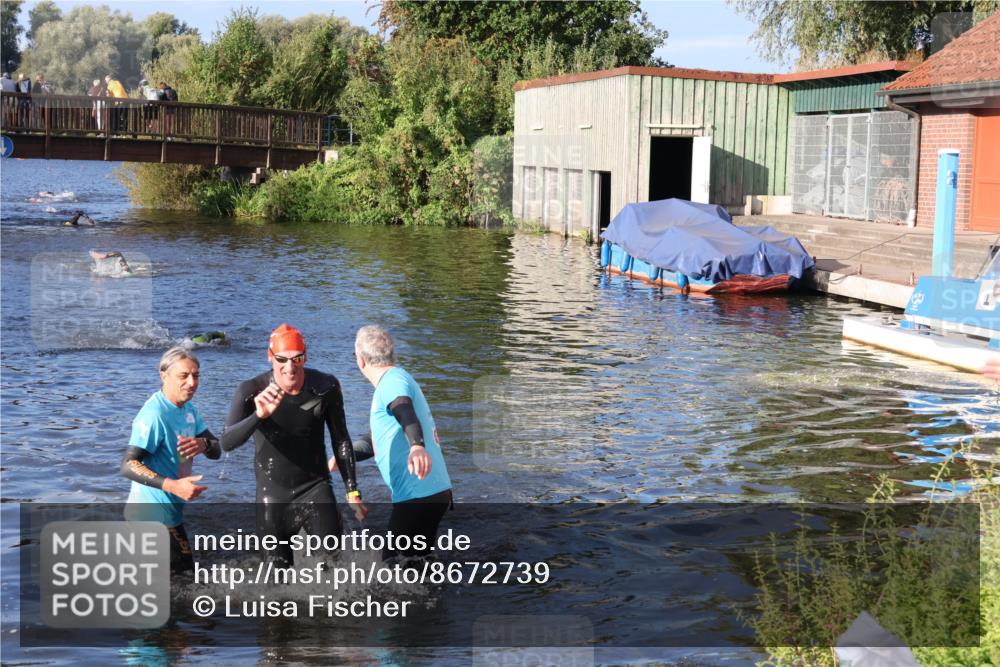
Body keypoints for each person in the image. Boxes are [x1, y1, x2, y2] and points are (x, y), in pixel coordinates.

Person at [221, 324, 366, 567]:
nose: (290, 368)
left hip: (316, 488)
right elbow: (227, 442)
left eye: (296, 359)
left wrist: (352, 490)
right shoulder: (250, 391)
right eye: (282, 360)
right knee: (276, 582)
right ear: (270, 357)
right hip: (272, 495)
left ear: (305, 355)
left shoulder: (325, 387)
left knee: (334, 571)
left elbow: (341, 438)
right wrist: (259, 415)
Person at [351, 325, 453, 559]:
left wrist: (417, 446)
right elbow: (375, 440)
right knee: (417, 565)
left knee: (391, 567)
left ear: (360, 359)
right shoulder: (399, 378)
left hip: (416, 495)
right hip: (434, 491)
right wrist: (343, 453)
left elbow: (404, 410)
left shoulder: (391, 384)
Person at [122, 347, 220, 574]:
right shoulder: (154, 415)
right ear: (163, 375)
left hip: (170, 514)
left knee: (176, 586)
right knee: (184, 584)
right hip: (149, 517)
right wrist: (174, 486)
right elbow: (128, 465)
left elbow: (216, 450)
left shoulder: (189, 409)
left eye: (196, 375)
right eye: (183, 376)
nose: (192, 382)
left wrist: (203, 444)